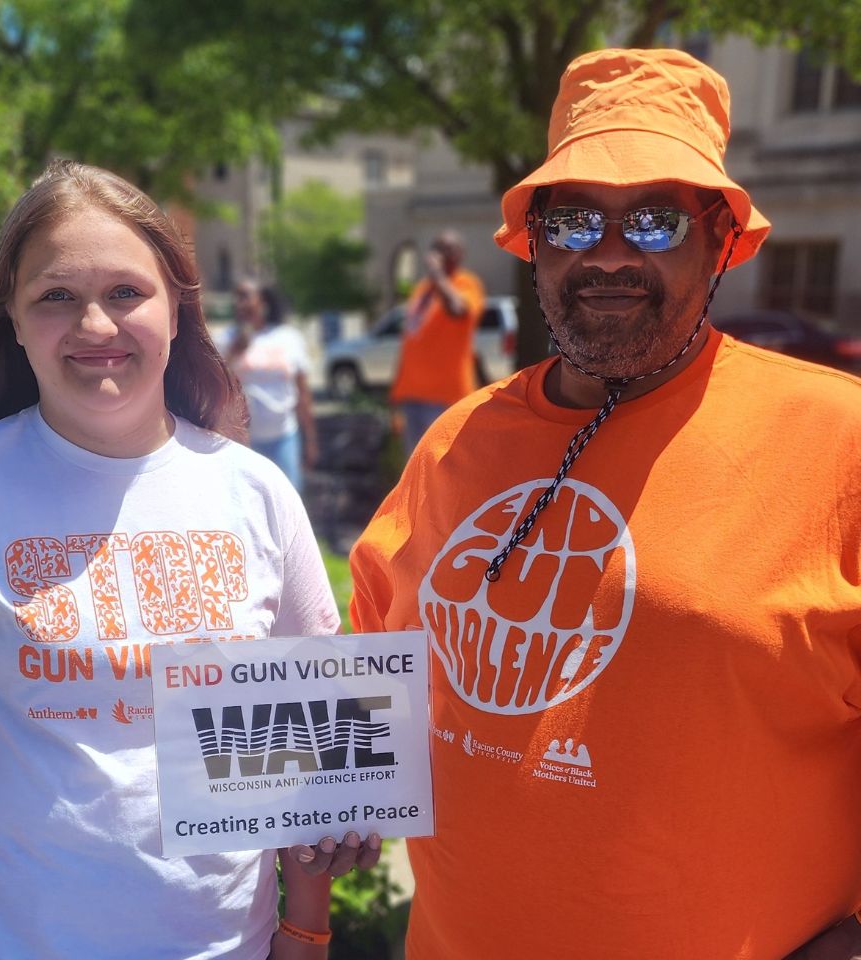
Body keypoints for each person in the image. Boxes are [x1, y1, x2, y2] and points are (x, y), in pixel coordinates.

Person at [349, 48, 861, 960]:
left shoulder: (837, 437)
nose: (611, 256)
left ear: (720, 240)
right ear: (535, 243)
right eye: (576, 219)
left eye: (657, 220)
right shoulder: (455, 442)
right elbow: (363, 674)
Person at [0, 160, 379, 960]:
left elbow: (313, 752)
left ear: (177, 310)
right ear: (14, 320)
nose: (94, 326)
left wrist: (306, 929)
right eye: (55, 295)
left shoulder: (257, 495)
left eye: (126, 292)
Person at [390, 230, 485, 455]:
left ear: (459, 255)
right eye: (437, 248)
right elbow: (411, 342)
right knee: (415, 468)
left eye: (447, 249)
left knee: (443, 468)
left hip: (446, 398)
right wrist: (395, 394)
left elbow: (457, 310)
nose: (440, 255)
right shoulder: (422, 289)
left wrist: (437, 275)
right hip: (412, 396)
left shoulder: (466, 284)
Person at [219, 279, 318, 491]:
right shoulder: (226, 339)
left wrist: (310, 440)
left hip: (284, 437)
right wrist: (232, 354)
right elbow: (213, 386)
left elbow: (302, 393)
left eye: (245, 296)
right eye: (236, 297)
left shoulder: (288, 338)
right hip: (244, 443)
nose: (239, 303)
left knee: (289, 501)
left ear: (263, 301)